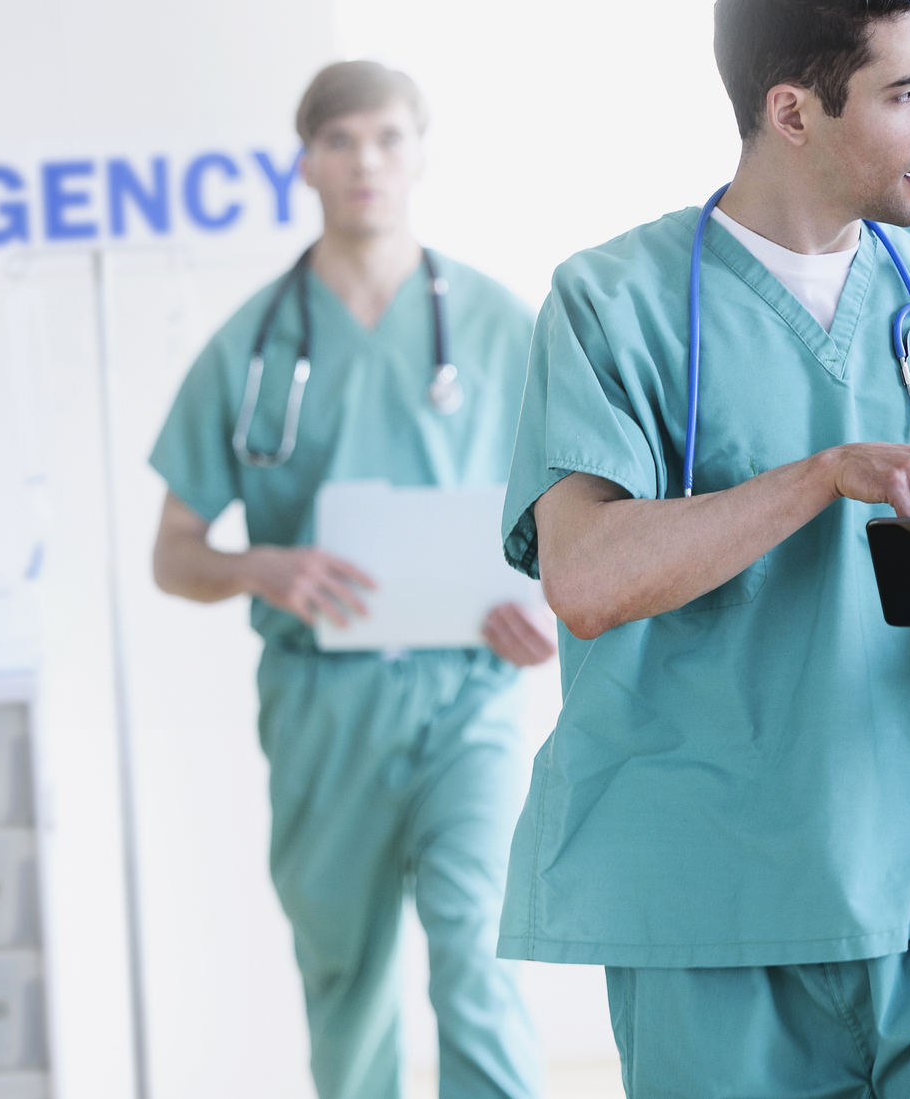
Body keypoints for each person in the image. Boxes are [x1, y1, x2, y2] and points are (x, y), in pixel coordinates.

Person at [496, 0, 910, 1096]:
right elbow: (588, 578)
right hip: (711, 895)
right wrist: (823, 475)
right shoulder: (612, 303)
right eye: (905, 92)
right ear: (792, 110)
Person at [148, 61, 551, 1099]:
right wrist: (258, 566)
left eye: (385, 137)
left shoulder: (501, 325)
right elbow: (174, 553)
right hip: (323, 705)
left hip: (472, 690)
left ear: (418, 154)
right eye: (339, 141)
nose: (364, 160)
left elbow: (578, 510)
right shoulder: (251, 345)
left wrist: (550, 602)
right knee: (348, 978)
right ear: (306, 160)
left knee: (478, 951)